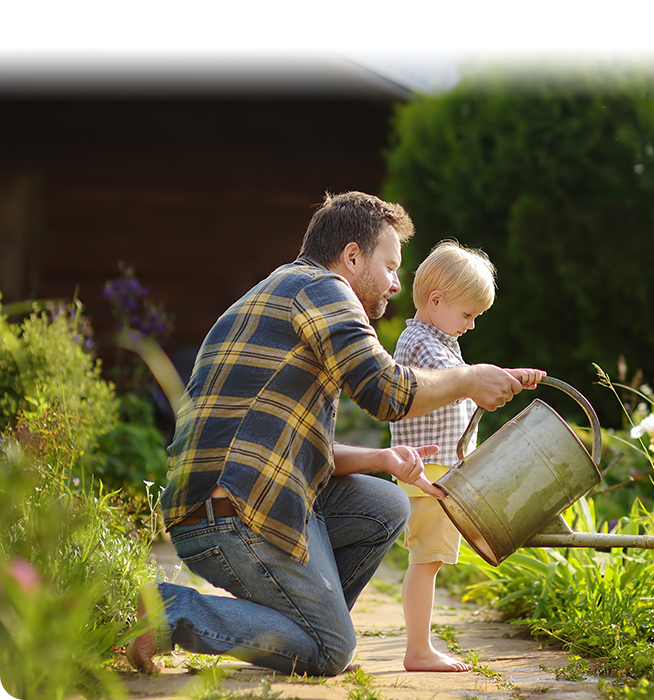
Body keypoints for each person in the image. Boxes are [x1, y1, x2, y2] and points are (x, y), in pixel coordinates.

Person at [126, 191, 544, 676]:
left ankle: (300, 629)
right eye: (390, 267)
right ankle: (171, 610)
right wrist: (469, 380)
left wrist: (383, 460)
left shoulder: (282, 290)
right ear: (351, 256)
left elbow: (297, 447)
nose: (395, 284)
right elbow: (384, 391)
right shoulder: (325, 290)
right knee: (331, 653)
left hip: (238, 499)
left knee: (387, 504)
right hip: (230, 514)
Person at [390, 240, 533, 673]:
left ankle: (419, 646)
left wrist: (509, 380)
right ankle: (418, 650)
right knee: (426, 562)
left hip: (437, 469)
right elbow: (463, 385)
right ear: (436, 300)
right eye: (468, 314)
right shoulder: (423, 344)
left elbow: (469, 387)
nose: (471, 325)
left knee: (429, 560)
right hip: (429, 472)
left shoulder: (437, 339)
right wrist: (498, 379)